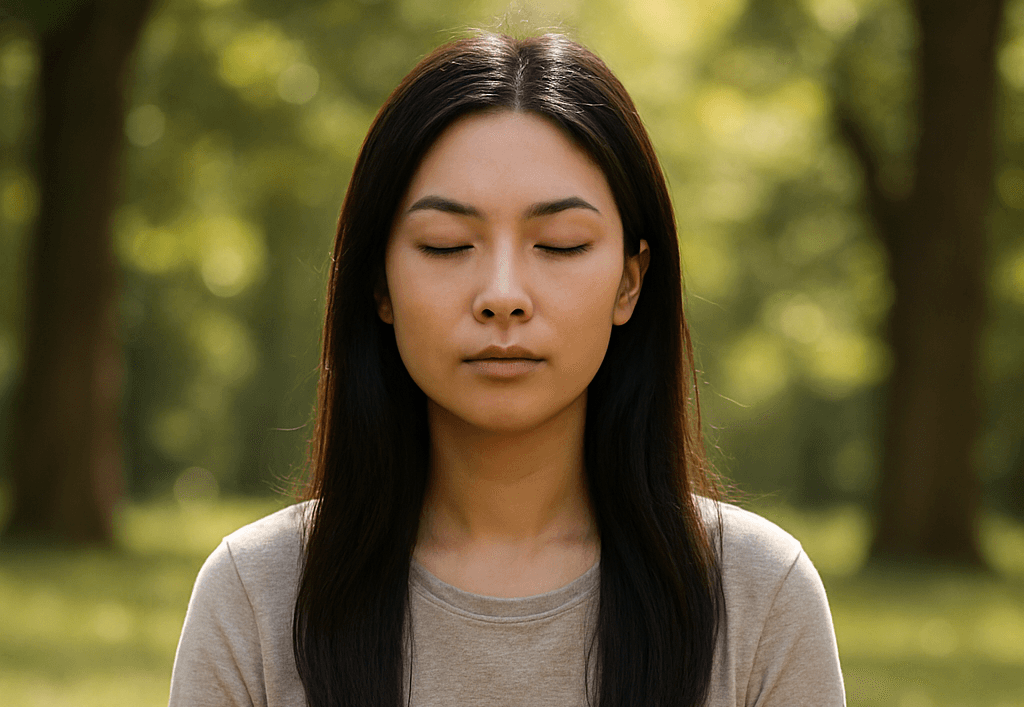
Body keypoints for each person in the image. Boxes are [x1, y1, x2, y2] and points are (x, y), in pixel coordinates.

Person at [168, 32, 845, 707]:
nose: (502, 294)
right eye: (446, 245)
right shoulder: (257, 595)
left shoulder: (756, 594)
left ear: (630, 284)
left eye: (559, 244)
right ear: (379, 285)